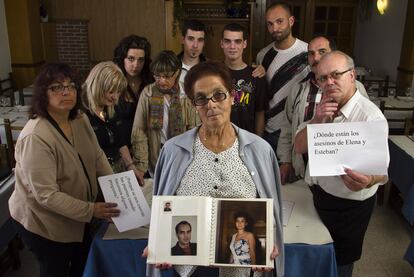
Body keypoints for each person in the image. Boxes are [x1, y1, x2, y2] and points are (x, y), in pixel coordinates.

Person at [151, 61, 283, 277]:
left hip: (241, 268)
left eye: (218, 95)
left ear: (232, 97)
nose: (211, 104)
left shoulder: (260, 150)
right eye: (201, 99)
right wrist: (158, 242)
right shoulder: (173, 150)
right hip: (191, 269)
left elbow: (272, 215)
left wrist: (270, 242)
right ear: (194, 104)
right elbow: (163, 211)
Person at [8, 63, 121, 277]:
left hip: (76, 215)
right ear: (43, 93)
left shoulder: (80, 119)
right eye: (57, 87)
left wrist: (117, 191)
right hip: (43, 222)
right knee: (56, 269)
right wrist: (92, 210)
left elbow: (97, 157)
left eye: (70, 86)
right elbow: (47, 196)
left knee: (82, 264)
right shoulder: (35, 136)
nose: (66, 92)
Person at [294, 51, 389, 277]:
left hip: (349, 209)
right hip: (319, 195)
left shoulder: (370, 118)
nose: (329, 82)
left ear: (352, 75)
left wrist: (368, 181)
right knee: (319, 259)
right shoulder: (325, 105)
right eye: (323, 78)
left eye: (336, 75)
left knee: (340, 265)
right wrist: (317, 121)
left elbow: (381, 171)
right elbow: (299, 146)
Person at [277, 35, 368, 184]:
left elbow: (365, 131)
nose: (316, 57)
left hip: (338, 174)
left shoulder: (354, 87)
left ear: (334, 53)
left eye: (322, 52)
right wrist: (285, 161)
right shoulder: (298, 89)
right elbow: (287, 127)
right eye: (311, 53)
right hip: (303, 167)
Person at [130, 50, 199, 186]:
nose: (161, 81)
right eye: (157, 76)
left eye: (167, 76)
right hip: (157, 155)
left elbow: (194, 130)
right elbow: (139, 130)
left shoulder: (187, 94)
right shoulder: (148, 93)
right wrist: (141, 165)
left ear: (177, 72)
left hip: (182, 154)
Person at [256, 1, 309, 154]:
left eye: (279, 22)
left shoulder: (308, 52)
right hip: (270, 130)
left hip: (298, 129)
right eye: (270, 24)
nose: (275, 28)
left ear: (291, 21)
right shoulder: (263, 55)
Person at [82, 61, 136, 173]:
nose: (115, 98)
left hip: (118, 169)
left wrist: (131, 166)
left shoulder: (111, 108)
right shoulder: (81, 114)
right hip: (96, 173)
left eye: (118, 92)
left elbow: (121, 143)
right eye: (111, 91)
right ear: (98, 86)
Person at [221, 23, 267, 136]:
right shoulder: (214, 73)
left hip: (247, 140)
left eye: (237, 41)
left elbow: (260, 113)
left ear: (244, 44)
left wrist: (258, 142)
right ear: (221, 43)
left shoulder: (256, 76)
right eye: (227, 41)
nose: (232, 46)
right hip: (219, 139)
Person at [113, 35, 154, 162]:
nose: (135, 65)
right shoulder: (113, 83)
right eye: (131, 59)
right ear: (122, 58)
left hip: (147, 147)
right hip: (120, 146)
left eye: (140, 60)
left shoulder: (151, 82)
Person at [177, 19, 207, 96]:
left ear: (204, 43)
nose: (195, 45)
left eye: (200, 40)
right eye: (191, 39)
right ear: (183, 40)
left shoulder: (210, 69)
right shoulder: (171, 66)